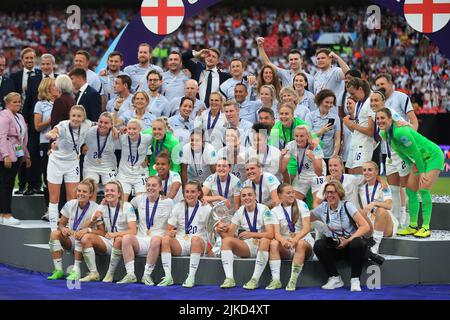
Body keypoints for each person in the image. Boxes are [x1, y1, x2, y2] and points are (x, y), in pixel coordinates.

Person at [376, 108, 444, 238]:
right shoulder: (384, 134)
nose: (380, 121)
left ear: (390, 119)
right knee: (411, 191)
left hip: (432, 156)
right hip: (418, 160)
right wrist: (410, 164)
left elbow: (416, 152)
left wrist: (422, 171)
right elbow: (401, 152)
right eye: (378, 118)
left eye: (383, 118)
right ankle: (413, 225)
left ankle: (425, 227)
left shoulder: (401, 132)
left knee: (423, 190)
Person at [311, 180, 371, 291]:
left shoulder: (347, 205)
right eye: (327, 192)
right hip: (335, 246)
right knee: (318, 245)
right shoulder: (323, 207)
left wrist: (348, 240)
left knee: (358, 242)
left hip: (351, 247)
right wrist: (297, 208)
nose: (329, 195)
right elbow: (307, 218)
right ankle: (335, 278)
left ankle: (355, 279)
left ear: (339, 193)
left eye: (332, 192)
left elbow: (365, 227)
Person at [117, 176, 173, 284]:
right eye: (148, 185)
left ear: (160, 187)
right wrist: (105, 203)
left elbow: (178, 213)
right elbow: (125, 207)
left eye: (154, 185)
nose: (150, 188)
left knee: (156, 239)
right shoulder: (139, 199)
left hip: (157, 241)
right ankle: (130, 274)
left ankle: (146, 275)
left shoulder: (168, 202)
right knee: (126, 238)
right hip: (141, 240)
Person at [217, 187, 275, 289]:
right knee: (226, 241)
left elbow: (271, 234)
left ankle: (254, 280)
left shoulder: (264, 209)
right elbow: (229, 235)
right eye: (243, 196)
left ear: (255, 196)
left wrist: (251, 234)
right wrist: (222, 228)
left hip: (264, 245)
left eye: (249, 195)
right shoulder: (240, 211)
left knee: (265, 240)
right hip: (247, 246)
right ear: (241, 198)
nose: (246, 198)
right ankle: (229, 279)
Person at [79, 180, 137, 282]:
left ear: (119, 194)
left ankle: (109, 274)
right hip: (109, 241)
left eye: (112, 191)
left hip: (124, 243)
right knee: (85, 238)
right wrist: (94, 218)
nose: (109, 193)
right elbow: (85, 227)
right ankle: (94, 273)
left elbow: (133, 231)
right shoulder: (103, 207)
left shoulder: (127, 206)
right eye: (106, 191)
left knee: (119, 239)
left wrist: (116, 234)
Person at [159, 181, 213, 287]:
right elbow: (168, 230)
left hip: (199, 242)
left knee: (195, 240)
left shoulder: (206, 208)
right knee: (165, 239)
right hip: (181, 242)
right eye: (187, 192)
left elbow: (215, 229)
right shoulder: (178, 206)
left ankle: (191, 277)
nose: (189, 194)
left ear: (199, 193)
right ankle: (168, 276)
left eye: (193, 192)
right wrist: (170, 233)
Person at [45, 105, 91, 231]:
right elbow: (53, 131)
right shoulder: (63, 125)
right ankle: (53, 231)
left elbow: (102, 124)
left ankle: (71, 229)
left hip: (72, 163)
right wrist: (51, 135)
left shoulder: (87, 125)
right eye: (73, 116)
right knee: (54, 198)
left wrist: (114, 128)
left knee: (73, 197)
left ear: (83, 118)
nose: (76, 118)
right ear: (70, 116)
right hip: (56, 163)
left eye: (79, 116)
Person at [369, 90, 409, 226]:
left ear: (383, 102)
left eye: (376, 100)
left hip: (401, 155)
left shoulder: (390, 112)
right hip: (390, 156)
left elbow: (405, 126)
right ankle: (396, 218)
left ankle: (406, 217)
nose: (373, 103)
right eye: (372, 101)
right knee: (393, 188)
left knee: (404, 187)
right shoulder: (377, 116)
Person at [47, 178, 99, 280]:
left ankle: (76, 270)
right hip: (72, 239)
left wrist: (86, 231)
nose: (81, 194)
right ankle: (58, 270)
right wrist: (63, 229)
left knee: (81, 236)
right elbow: (61, 224)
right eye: (79, 191)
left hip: (87, 242)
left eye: (84, 192)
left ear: (90, 194)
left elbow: (102, 232)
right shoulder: (70, 204)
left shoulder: (95, 208)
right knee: (54, 234)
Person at [266, 184, 314, 291]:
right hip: (287, 246)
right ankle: (276, 280)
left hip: (304, 242)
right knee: (273, 243)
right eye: (288, 193)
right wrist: (283, 241)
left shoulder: (302, 204)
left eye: (293, 192)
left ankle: (292, 281)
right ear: (280, 195)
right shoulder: (274, 211)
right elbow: (277, 234)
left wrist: (295, 240)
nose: (292, 195)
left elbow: (307, 228)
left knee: (300, 244)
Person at [0, 92, 30, 225]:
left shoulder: (20, 116)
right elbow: (2, 137)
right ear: (7, 103)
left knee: (10, 183)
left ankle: (4, 213)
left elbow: (22, 138)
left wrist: (25, 155)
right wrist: (5, 155)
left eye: (19, 101)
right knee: (6, 184)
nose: (18, 104)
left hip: (17, 152)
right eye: (14, 102)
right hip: (6, 154)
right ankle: (5, 214)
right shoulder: (4, 116)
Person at [359, 161, 399, 254]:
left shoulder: (383, 186)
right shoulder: (360, 186)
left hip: (385, 224)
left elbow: (389, 205)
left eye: (370, 170)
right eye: (364, 170)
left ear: (376, 172)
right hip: (370, 223)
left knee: (381, 210)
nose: (366, 172)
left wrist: (374, 203)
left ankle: (375, 245)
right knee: (357, 212)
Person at [281, 125, 324, 205]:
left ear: (307, 136)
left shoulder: (315, 146)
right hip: (302, 174)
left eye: (301, 136)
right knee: (292, 203)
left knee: (317, 204)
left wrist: (313, 158)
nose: (299, 139)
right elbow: (282, 169)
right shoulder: (291, 145)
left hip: (317, 175)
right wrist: (281, 157)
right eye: (296, 136)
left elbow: (319, 172)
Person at [34, 78, 59, 213]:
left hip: (60, 143)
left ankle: (59, 208)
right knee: (47, 175)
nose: (57, 87)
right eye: (54, 85)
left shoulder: (61, 102)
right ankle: (49, 209)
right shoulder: (40, 104)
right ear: (47, 88)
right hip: (45, 142)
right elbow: (37, 127)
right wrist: (50, 120)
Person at [115, 119, 152, 201]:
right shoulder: (122, 137)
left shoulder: (147, 138)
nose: (131, 131)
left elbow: (160, 136)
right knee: (122, 202)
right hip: (124, 174)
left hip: (140, 174)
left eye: (134, 129)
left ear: (140, 129)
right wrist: (118, 131)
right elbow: (111, 129)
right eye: (129, 128)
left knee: (141, 202)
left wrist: (148, 159)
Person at [343, 78, 374, 174]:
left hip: (363, 146)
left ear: (360, 89)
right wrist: (348, 124)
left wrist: (352, 124)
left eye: (353, 93)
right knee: (351, 172)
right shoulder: (358, 104)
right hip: (355, 143)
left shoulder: (370, 103)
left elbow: (370, 131)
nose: (352, 97)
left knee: (359, 176)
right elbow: (356, 130)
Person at [82, 112, 118, 191]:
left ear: (111, 125)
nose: (102, 125)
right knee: (90, 188)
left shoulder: (114, 134)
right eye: (101, 122)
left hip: (108, 167)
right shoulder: (90, 131)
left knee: (111, 189)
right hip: (91, 166)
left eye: (106, 123)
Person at [305, 89, 341, 169]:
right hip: (313, 155)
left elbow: (337, 139)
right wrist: (322, 131)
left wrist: (334, 155)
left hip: (329, 156)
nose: (329, 105)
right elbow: (308, 137)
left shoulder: (335, 118)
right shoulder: (310, 116)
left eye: (331, 103)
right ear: (320, 101)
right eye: (327, 102)